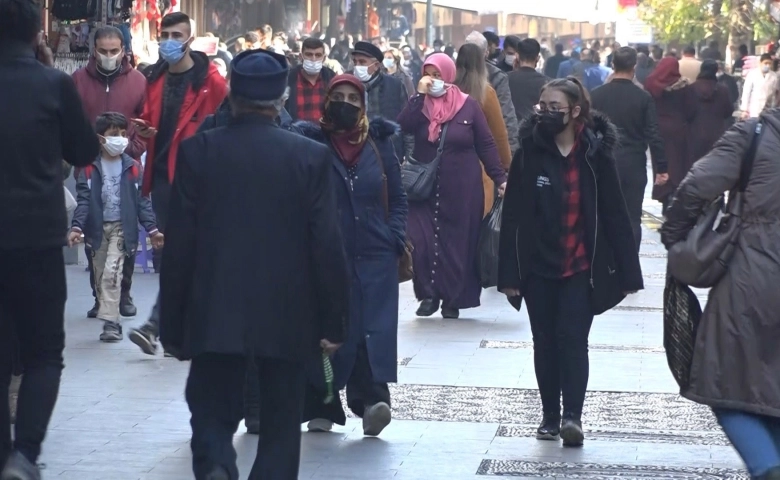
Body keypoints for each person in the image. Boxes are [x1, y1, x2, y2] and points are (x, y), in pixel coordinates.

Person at [158, 48, 349, 480]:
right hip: (287, 313)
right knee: (281, 421)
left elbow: (180, 247)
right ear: (281, 98)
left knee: (210, 410)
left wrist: (173, 325)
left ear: (234, 98)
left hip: (214, 308)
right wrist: (333, 322)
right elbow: (326, 245)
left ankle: (217, 468)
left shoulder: (199, 152)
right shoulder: (308, 156)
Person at [497, 77, 643, 449]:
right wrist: (509, 275)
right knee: (544, 342)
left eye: (554, 108)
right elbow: (512, 215)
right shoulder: (530, 153)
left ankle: (572, 416)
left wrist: (629, 271)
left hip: (580, 267)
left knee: (574, 341)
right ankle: (549, 415)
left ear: (575, 111)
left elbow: (615, 214)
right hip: (538, 267)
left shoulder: (595, 156)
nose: (545, 113)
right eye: (541, 107)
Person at [0, 0, 100, 476]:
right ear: (37, 34)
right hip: (37, 238)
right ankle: (25, 454)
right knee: (43, 352)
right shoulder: (52, 84)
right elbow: (82, 149)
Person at [661, 112, 780, 480]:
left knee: (726, 379)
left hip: (753, 273)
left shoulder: (756, 135)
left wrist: (675, 235)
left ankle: (766, 466)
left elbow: (698, 184)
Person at [292, 74, 407, 436]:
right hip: (328, 252)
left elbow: (398, 197)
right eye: (338, 96)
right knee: (328, 324)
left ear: (363, 105)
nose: (346, 103)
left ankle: (372, 401)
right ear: (327, 101)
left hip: (375, 252)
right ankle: (322, 403)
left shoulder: (380, 144)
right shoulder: (311, 144)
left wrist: (395, 236)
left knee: (371, 328)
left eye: (353, 99)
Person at [127, 11, 228, 356]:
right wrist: (143, 130)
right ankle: (173, 328)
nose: (169, 41)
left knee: (182, 254)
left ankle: (158, 324)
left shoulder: (210, 81)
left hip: (197, 180)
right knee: (175, 255)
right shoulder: (154, 78)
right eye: (165, 34)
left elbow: (226, 123)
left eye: (176, 35)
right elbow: (147, 120)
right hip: (162, 179)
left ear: (189, 38)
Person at [398, 53, 507, 319]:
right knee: (421, 241)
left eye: (437, 75)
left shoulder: (468, 106)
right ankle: (428, 295)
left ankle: (452, 300)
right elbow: (401, 125)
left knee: (458, 244)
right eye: (428, 74)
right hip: (423, 189)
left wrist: (500, 177)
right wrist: (417, 97)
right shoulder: (419, 105)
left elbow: (486, 143)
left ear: (449, 76)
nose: (432, 80)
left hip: (462, 189)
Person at [71, 25, 147, 319]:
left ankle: (122, 293)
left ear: (124, 51)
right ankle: (99, 295)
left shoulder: (139, 82)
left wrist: (130, 151)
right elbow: (72, 124)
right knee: (95, 235)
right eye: (103, 51)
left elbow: (145, 126)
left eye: (114, 51)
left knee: (125, 232)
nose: (108, 56)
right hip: (90, 169)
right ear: (93, 50)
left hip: (128, 170)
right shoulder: (77, 81)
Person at [68, 113, 163, 342]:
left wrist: (152, 229)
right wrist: (77, 227)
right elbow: (83, 201)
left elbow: (142, 201)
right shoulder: (89, 169)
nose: (120, 139)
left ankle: (111, 324)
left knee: (113, 272)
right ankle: (110, 316)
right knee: (101, 277)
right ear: (101, 138)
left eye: (123, 134)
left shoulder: (132, 168)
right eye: (114, 135)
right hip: (97, 232)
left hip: (122, 228)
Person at [591, 47, 668, 250]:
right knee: (632, 216)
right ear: (634, 67)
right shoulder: (643, 98)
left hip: (604, 162)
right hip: (634, 164)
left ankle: (604, 261)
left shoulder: (597, 95)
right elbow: (653, 134)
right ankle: (630, 263)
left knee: (603, 213)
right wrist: (662, 167)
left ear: (613, 65)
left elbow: (588, 131)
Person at [455, 43, 512, 215]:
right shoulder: (486, 94)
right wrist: (506, 165)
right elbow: (499, 135)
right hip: (479, 171)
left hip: (449, 167)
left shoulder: (448, 90)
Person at [644, 57, 695, 214]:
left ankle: (664, 195)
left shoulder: (650, 84)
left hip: (658, 131)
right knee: (678, 164)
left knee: (661, 163)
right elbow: (691, 110)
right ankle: (675, 195)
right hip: (678, 130)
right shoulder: (684, 87)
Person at [352, 41, 412, 161]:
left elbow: (407, 123)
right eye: (355, 62)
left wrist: (409, 157)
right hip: (356, 154)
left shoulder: (395, 85)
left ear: (376, 65)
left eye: (362, 62)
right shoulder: (348, 85)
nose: (357, 66)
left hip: (390, 154)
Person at [465, 31, 520, 155]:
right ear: (486, 53)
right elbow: (507, 117)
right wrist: (510, 156)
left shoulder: (452, 74)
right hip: (487, 149)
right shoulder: (497, 77)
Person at [688, 59, 734, 163]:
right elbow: (728, 111)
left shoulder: (691, 89)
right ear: (716, 71)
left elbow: (686, 113)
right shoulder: (723, 90)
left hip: (695, 135)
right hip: (716, 135)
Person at [284, 37, 337, 122]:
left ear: (323, 58)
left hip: (325, 134)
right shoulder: (289, 79)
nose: (313, 59)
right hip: (296, 133)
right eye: (309, 54)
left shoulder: (331, 79)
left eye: (318, 55)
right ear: (301, 57)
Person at [508, 38, 549, 124]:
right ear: (537, 58)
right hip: (536, 131)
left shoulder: (505, 79)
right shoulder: (547, 83)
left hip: (511, 131)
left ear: (517, 56)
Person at [740, 53, 779, 120]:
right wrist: (744, 109)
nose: (768, 65)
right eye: (765, 63)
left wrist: (773, 107)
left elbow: (774, 95)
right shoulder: (752, 74)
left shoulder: (774, 76)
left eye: (769, 63)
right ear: (760, 63)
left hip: (768, 108)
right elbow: (746, 92)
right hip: (754, 108)